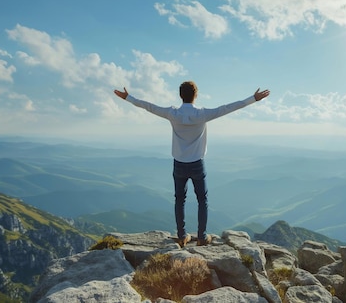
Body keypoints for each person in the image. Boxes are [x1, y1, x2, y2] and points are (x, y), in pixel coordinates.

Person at [114, 81, 270, 247]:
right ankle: (202, 237)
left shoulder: (172, 113)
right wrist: (253, 99)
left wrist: (128, 97)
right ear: (196, 95)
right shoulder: (202, 114)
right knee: (202, 200)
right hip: (197, 164)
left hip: (179, 164)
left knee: (179, 200)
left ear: (180, 95)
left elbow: (149, 106)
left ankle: (182, 236)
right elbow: (227, 108)